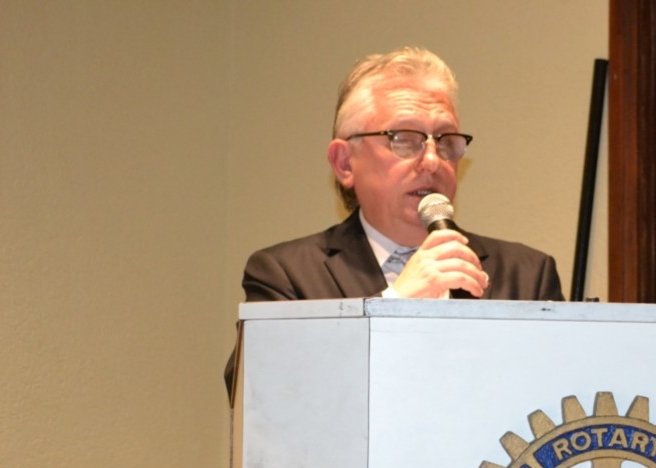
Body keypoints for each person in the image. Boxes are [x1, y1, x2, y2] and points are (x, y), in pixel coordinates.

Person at [226, 47, 563, 394]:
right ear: (344, 163)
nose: (432, 160)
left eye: (446, 141)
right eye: (404, 139)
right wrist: (394, 304)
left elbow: (558, 395)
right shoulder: (286, 275)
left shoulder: (527, 275)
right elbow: (259, 396)